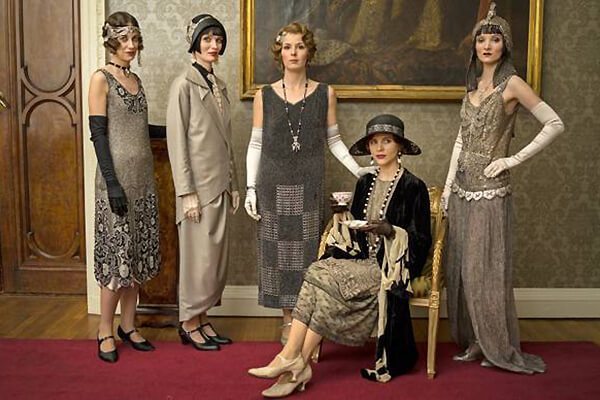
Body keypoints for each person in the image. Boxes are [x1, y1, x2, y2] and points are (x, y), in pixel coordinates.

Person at [248, 114, 432, 397]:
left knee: (316, 275)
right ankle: (297, 362)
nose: (379, 147)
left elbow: (421, 242)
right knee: (319, 281)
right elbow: (354, 233)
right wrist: (342, 216)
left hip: (389, 269)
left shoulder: (413, 186)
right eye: (373, 142)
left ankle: (290, 359)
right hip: (359, 261)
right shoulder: (365, 182)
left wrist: (391, 230)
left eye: (387, 141)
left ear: (400, 146)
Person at [441, 2, 564, 374]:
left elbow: (554, 123)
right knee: (463, 270)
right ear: (475, 45)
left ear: (505, 45)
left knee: (484, 270)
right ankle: (476, 340)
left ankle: (495, 343)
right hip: (462, 188)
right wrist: (447, 187)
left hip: (490, 190)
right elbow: (460, 140)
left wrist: (512, 160)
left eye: (495, 40)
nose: (487, 45)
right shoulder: (473, 85)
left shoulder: (512, 84)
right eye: (482, 40)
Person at [244, 22, 374, 345]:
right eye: (287, 47)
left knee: (308, 256)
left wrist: (358, 170)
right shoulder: (264, 96)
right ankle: (287, 322)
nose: (293, 53)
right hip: (271, 185)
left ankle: (305, 321)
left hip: (309, 186)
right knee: (277, 256)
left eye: (299, 47)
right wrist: (250, 188)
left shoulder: (325, 93)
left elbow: (334, 140)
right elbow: (256, 144)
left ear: (309, 52)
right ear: (280, 52)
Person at [89, 11, 160, 363]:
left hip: (144, 181)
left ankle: (128, 326)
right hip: (115, 185)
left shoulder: (136, 80)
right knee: (117, 260)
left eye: (135, 39)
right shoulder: (100, 78)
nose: (131, 45)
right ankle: (105, 329)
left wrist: (185, 130)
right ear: (111, 41)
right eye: (123, 39)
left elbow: (140, 129)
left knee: (136, 258)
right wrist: (112, 182)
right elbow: (99, 135)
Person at [166, 14, 239, 351]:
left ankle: (203, 317)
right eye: (207, 39)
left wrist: (234, 183)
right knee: (197, 261)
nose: (214, 45)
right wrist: (186, 193)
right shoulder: (183, 84)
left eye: (218, 40)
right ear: (195, 42)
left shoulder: (219, 85)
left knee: (213, 261)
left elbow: (226, 140)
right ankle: (188, 323)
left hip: (219, 185)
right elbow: (177, 143)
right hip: (197, 190)